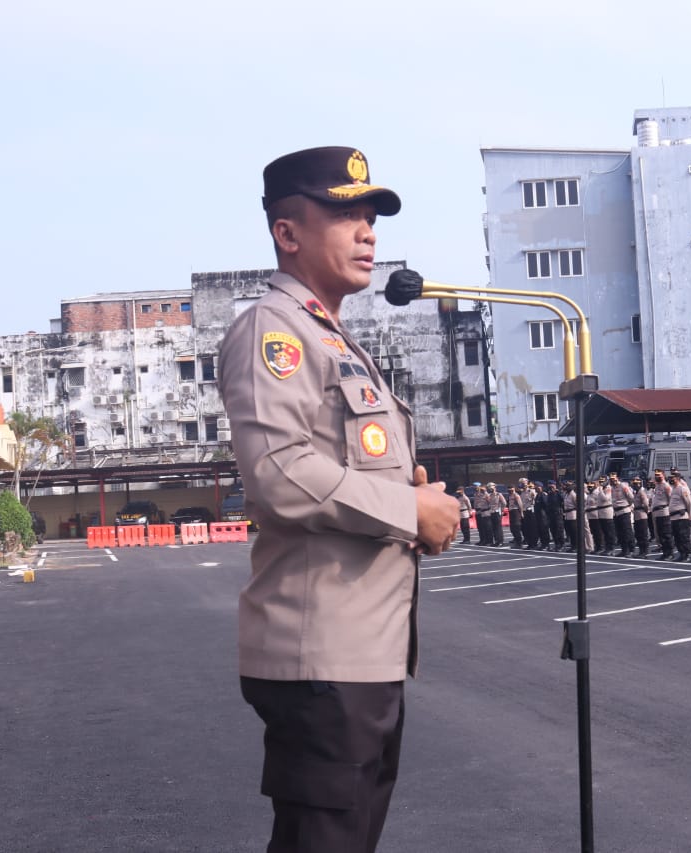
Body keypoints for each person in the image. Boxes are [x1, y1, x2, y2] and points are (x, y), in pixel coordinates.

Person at [219, 146, 460, 853]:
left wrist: (408, 499)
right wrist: (407, 511)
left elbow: (340, 466)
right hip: (321, 658)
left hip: (361, 653)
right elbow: (279, 471)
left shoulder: (332, 335)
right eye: (344, 212)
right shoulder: (276, 330)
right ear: (287, 233)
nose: (367, 232)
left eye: (370, 216)